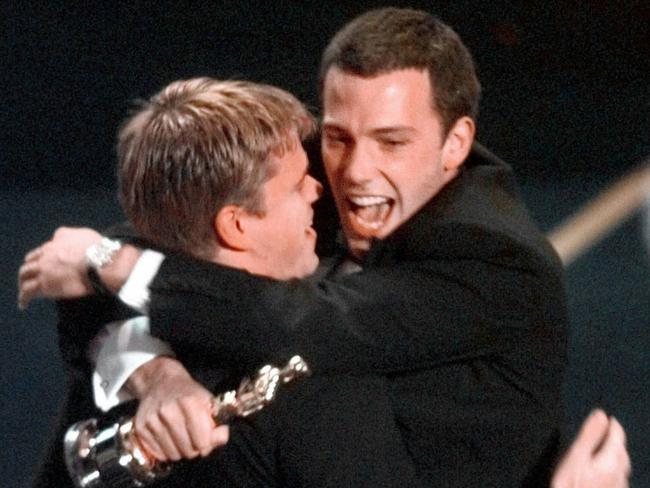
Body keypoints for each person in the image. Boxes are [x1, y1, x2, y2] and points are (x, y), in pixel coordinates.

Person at [19, 7, 631, 487]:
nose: (347, 176)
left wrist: (108, 267)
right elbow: (183, 230)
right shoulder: (321, 394)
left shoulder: (496, 262)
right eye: (337, 138)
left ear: (455, 143)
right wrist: (155, 376)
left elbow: (306, 320)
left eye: (392, 141)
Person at [24, 77, 419, 487]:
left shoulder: (111, 363)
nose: (318, 190)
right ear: (237, 224)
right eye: (297, 183)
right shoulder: (325, 377)